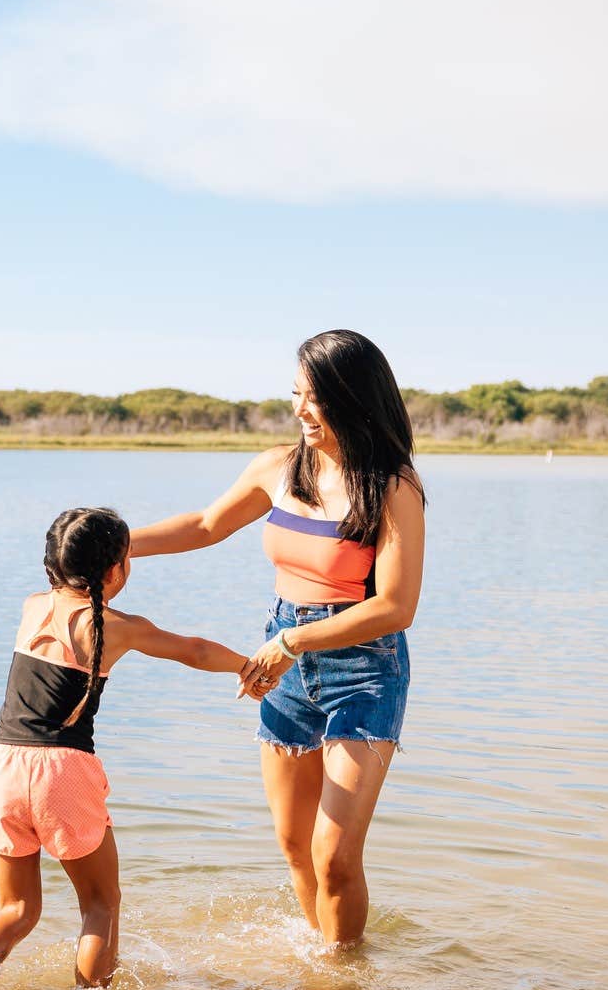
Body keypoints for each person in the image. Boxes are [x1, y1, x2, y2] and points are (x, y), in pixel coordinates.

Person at [130, 329, 427, 947]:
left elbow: (396, 608)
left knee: (334, 855)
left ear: (353, 398)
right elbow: (205, 525)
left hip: (362, 671)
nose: (301, 410)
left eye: (315, 398)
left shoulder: (393, 486)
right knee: (295, 848)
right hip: (284, 663)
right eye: (296, 395)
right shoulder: (278, 467)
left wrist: (294, 644)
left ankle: (343, 973)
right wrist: (115, 545)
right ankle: (331, 969)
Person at [0, 507, 260, 990]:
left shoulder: (31, 605)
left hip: (3, 764)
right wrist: (248, 667)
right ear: (114, 571)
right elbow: (195, 650)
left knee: (15, 909)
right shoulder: (117, 626)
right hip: (63, 769)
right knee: (100, 904)